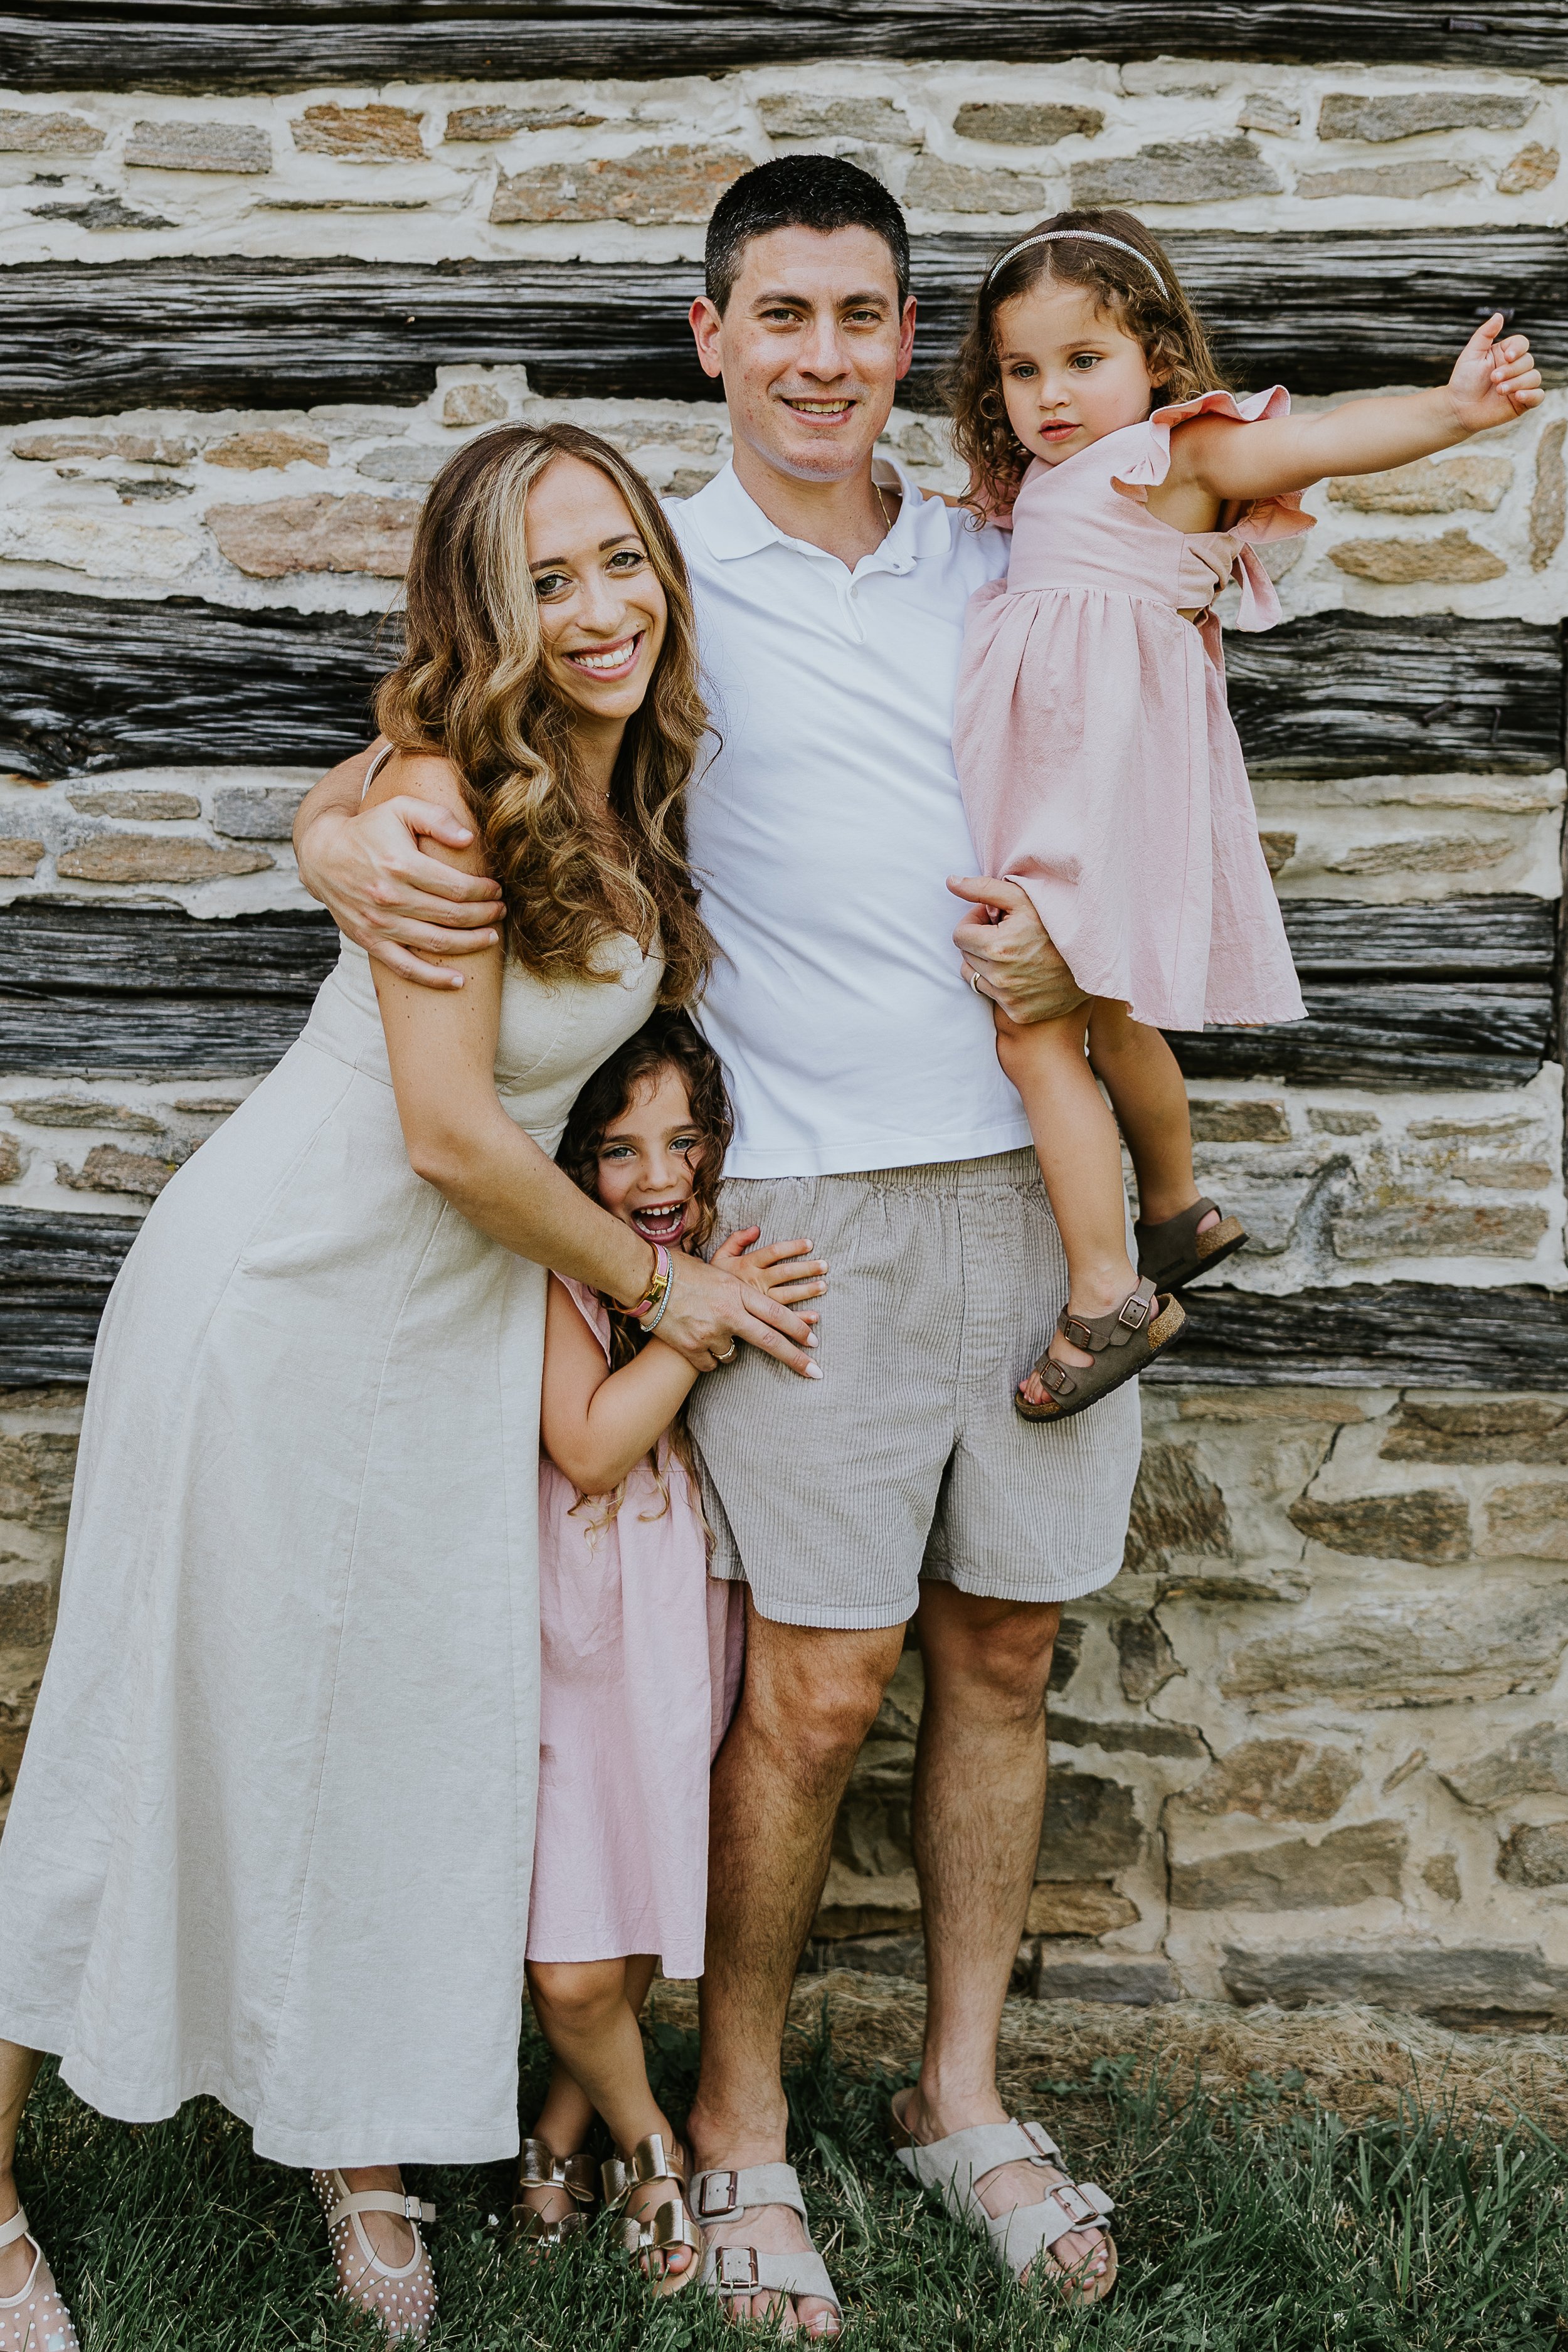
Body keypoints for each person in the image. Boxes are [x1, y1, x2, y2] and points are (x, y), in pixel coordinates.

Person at [294, 156, 1138, 2328]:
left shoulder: (1006, 547)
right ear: (713, 338)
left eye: (865, 316)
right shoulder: (659, 576)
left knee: (1005, 1654)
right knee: (819, 1681)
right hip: (810, 1204)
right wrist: (326, 830)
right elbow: (447, 719)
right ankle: (743, 2120)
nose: (827, 357)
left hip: (1042, 1180)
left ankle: (961, 2091)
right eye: (783, 316)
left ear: (909, 339)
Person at [0, 421, 817, 2349]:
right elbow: (455, 1135)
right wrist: (666, 1286)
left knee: (397, 1733)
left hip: (441, 1326)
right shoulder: (444, 798)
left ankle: (354, 2141)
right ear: (483, 608)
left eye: (621, 557)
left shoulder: (622, 780)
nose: (602, 604)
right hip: (281, 1298)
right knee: (143, 1736)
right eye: (549, 579)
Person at [946, 207, 1542, 1425]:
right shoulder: (1058, 483)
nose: (1049, 393)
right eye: (1021, 369)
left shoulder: (1174, 457)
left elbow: (1312, 445)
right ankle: (1173, 1211)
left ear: (1155, 360)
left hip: (1091, 797)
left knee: (1029, 1029)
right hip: (1090, 782)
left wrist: (1450, 411)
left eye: (1081, 360)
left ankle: (1107, 1289)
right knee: (1103, 1016)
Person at [517, 1012, 825, 2296]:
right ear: (567, 1160)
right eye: (617, 1150)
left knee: (642, 1887)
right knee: (570, 1962)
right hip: (568, 1639)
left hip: (670, 1625)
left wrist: (719, 1291)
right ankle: (652, 2146)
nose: (656, 1178)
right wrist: (702, 1326)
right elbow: (589, 1448)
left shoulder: (701, 1250)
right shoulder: (547, 1272)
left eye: (682, 1142)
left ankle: (560, 2126)